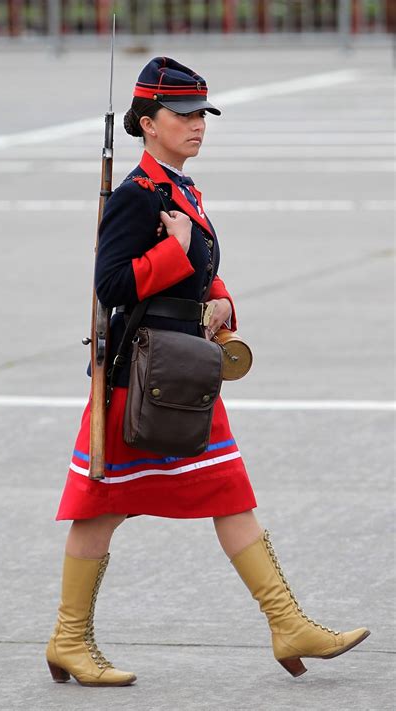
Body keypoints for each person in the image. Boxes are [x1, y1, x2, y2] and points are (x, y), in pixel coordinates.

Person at [46, 57, 369, 688]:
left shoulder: (180, 188)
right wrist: (177, 251)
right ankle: (68, 640)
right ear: (147, 123)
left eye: (202, 115)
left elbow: (201, 268)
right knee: (102, 507)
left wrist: (218, 295)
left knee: (230, 490)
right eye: (184, 115)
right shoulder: (136, 197)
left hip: (184, 370)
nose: (198, 125)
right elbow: (110, 285)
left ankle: (287, 623)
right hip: (140, 377)